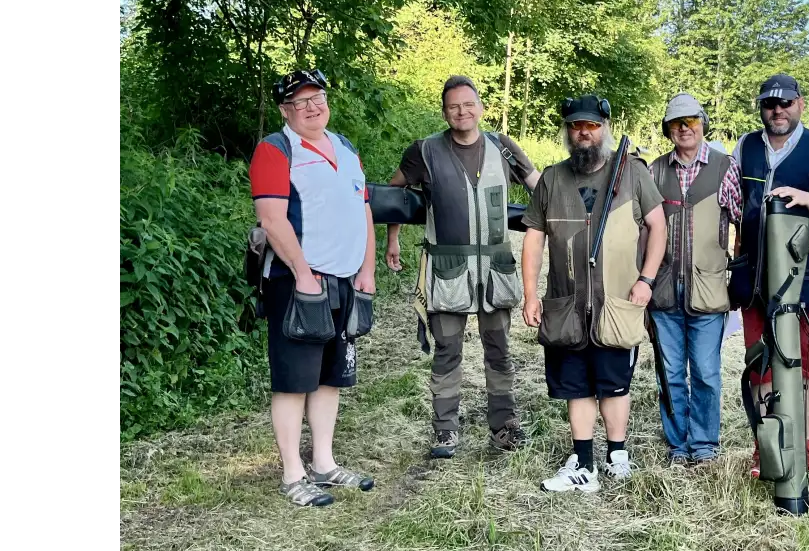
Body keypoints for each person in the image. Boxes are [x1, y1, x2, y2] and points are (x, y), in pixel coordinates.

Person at [386, 75, 541, 459]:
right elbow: (392, 194)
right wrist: (392, 239)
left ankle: (504, 427)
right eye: (454, 106)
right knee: (447, 351)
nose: (462, 112)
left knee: (499, 350)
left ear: (481, 108)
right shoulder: (425, 151)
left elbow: (540, 188)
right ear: (444, 112)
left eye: (468, 104)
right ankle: (445, 431)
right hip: (447, 269)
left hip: (495, 269)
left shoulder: (503, 147)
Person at [521, 95, 668, 492]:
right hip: (566, 304)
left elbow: (658, 226)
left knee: (615, 382)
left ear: (605, 128)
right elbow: (533, 239)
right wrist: (531, 295)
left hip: (616, 303)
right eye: (576, 126)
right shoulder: (552, 178)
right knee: (577, 384)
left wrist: (646, 280)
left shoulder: (632, 173)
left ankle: (617, 456)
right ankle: (583, 462)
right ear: (568, 131)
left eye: (591, 125)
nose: (583, 132)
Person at [249, 69, 378, 507]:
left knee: (329, 377)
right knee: (293, 381)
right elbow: (271, 219)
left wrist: (367, 269)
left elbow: (363, 210)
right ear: (285, 110)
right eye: (299, 102)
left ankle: (324, 463)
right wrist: (303, 274)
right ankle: (292, 475)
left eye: (317, 97)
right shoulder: (275, 150)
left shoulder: (345, 148)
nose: (311, 107)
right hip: (297, 284)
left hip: (345, 282)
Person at [731, 73, 809, 479]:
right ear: (761, 108)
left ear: (800, 104)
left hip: (808, 274)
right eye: (769, 104)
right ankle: (767, 445)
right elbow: (734, 204)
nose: (777, 110)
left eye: (785, 103)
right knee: (760, 363)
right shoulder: (745, 146)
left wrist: (804, 199)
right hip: (756, 275)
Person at [647, 93, 742, 466]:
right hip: (663, 290)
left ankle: (703, 445)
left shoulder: (725, 168)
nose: (684, 128)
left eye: (691, 121)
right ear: (668, 129)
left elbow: (742, 223)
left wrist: (738, 274)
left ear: (703, 124)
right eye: (676, 122)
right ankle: (677, 444)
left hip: (709, 289)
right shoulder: (654, 171)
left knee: (705, 372)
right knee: (669, 373)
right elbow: (642, 230)